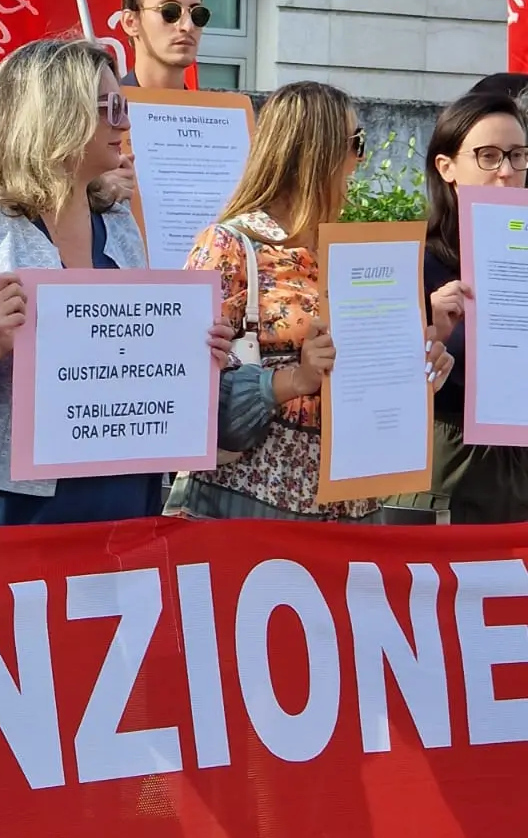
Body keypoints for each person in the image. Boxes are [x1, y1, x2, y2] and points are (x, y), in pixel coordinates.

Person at [0, 37, 234, 527]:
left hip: (117, 487)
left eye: (123, 105)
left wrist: (192, 350)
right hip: (6, 504)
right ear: (54, 115)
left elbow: (130, 348)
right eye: (110, 106)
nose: (124, 121)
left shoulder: (118, 223)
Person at [164, 81, 452, 523]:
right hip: (253, 506)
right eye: (357, 143)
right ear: (317, 152)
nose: (362, 158)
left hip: (353, 509)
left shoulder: (357, 253)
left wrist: (417, 367)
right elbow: (183, 395)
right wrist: (296, 378)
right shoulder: (231, 246)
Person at [415, 91, 528, 522]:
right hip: (454, 467)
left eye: (518, 155)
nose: (506, 172)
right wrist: (427, 325)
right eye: (488, 155)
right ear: (447, 168)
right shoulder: (417, 260)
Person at [120, 0, 211, 89]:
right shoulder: (97, 108)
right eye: (170, 12)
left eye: (197, 15)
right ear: (131, 22)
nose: (188, 26)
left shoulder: (214, 109)